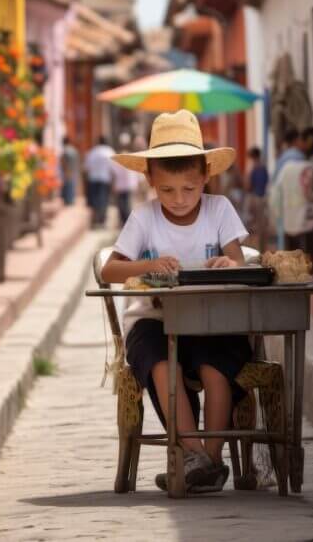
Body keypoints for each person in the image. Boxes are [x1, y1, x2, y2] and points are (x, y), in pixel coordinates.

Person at [101, 110, 249, 494]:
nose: (179, 200)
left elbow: (239, 260)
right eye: (167, 191)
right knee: (161, 361)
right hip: (155, 320)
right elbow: (109, 272)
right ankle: (197, 454)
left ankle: (211, 461)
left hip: (212, 318)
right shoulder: (145, 217)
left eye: (189, 189)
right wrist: (149, 264)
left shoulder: (219, 210)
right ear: (150, 181)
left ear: (205, 178)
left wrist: (226, 263)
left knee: (218, 367)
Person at [269, 127, 313, 260]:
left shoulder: (284, 157)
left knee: (286, 245)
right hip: (298, 208)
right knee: (300, 245)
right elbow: (305, 186)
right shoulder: (298, 158)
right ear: (298, 140)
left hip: (283, 205)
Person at [109, 137, 145, 228]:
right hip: (129, 185)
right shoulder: (130, 157)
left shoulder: (119, 158)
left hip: (121, 185)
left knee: (122, 204)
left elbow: (113, 173)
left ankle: (124, 221)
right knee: (127, 203)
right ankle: (127, 221)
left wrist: (113, 185)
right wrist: (138, 183)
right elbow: (136, 173)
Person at [83, 136, 115, 228]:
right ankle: (102, 220)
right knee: (103, 199)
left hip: (93, 179)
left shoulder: (92, 152)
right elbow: (114, 167)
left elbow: (86, 168)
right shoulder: (109, 151)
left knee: (95, 200)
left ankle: (96, 219)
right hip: (105, 179)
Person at [243, 147, 269, 250]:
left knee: (252, 227)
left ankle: (253, 249)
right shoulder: (264, 168)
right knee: (261, 226)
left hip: (253, 199)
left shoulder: (253, 169)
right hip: (262, 198)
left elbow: (248, 186)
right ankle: (262, 248)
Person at [59, 136, 80, 206]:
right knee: (72, 186)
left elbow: (64, 162)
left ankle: (68, 201)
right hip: (74, 171)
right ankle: (71, 200)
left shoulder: (66, 150)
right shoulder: (74, 150)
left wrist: (65, 171)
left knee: (67, 186)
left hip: (67, 171)